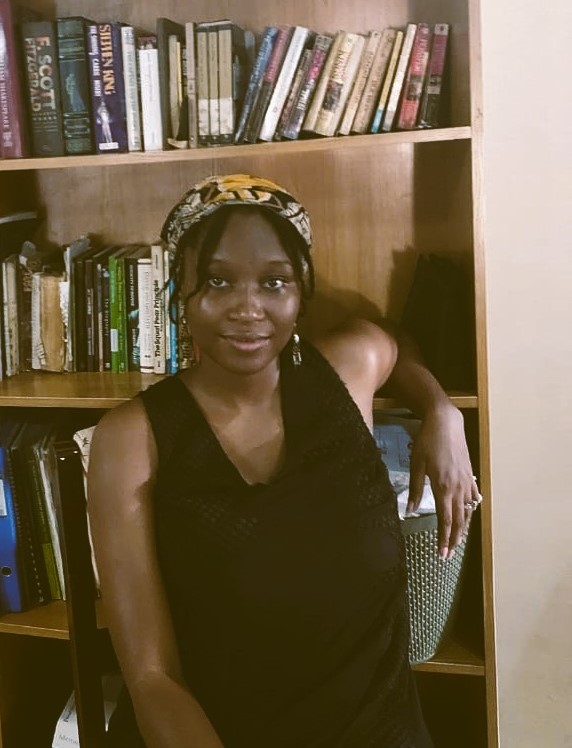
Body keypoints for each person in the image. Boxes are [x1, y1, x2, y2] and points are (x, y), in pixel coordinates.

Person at [88, 174, 480, 748]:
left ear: (301, 295)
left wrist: (442, 411)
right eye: (218, 281)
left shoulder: (343, 374)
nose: (248, 309)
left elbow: (392, 342)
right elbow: (153, 676)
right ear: (181, 293)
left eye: (274, 282)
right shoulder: (132, 438)